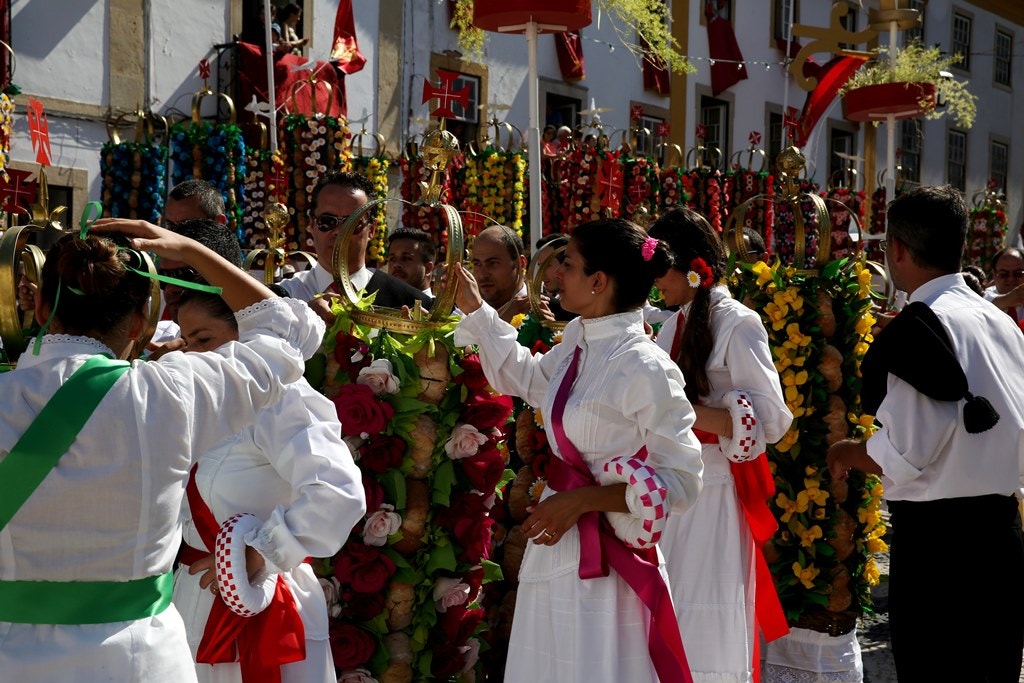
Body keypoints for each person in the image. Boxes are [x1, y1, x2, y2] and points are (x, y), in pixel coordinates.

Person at [0, 218, 325, 682]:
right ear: (140, 320)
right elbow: (293, 331)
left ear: (40, 310)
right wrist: (193, 252)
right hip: (139, 659)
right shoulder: (169, 393)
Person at [453, 217, 704, 682]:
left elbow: (682, 481)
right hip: (557, 540)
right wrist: (475, 309)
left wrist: (584, 499)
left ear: (598, 281)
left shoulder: (644, 365)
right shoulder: (578, 343)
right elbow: (527, 380)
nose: (555, 275)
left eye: (566, 263)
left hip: (611, 563)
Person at [826, 185, 1024, 681]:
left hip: (941, 549)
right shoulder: (1000, 322)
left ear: (895, 250)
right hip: (1002, 533)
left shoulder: (921, 328)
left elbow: (905, 453)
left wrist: (846, 451)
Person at [172, 289, 365, 683]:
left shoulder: (281, 400)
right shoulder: (193, 403)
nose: (192, 354)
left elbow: (338, 490)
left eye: (204, 340)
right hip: (193, 598)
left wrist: (260, 554)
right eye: (186, 340)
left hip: (270, 602)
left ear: (248, 335)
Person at [649, 207, 793, 681]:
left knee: (706, 613)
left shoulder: (739, 322)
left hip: (713, 491)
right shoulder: (673, 323)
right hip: (674, 485)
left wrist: (683, 413)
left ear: (690, 265)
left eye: (660, 269)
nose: (655, 283)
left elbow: (771, 418)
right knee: (668, 609)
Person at [278, 171, 432, 320]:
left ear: (371, 230)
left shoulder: (409, 304)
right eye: (327, 221)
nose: (339, 232)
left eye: (352, 223)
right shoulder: (282, 297)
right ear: (311, 224)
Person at [469, 224, 528, 323]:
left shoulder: (554, 312)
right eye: (477, 264)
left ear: (520, 264)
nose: (482, 275)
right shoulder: (464, 315)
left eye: (493, 263)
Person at [386, 227, 435, 295]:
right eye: (392, 259)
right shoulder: (375, 304)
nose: (396, 264)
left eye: (406, 258)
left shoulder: (441, 305)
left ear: (428, 268)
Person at [983, 246, 1024, 322]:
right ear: (994, 274)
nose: (1011, 279)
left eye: (1018, 273)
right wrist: (1010, 298)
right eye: (1004, 274)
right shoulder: (986, 296)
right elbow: (985, 304)